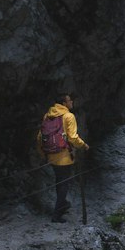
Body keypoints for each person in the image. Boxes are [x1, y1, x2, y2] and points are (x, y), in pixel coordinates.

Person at [37, 91, 89, 222]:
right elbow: (72, 137)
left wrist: (43, 154)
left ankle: (63, 204)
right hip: (64, 156)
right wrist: (84, 146)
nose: (71, 102)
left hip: (51, 155)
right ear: (64, 103)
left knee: (59, 182)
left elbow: (40, 137)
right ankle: (57, 214)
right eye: (69, 100)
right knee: (64, 184)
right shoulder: (68, 116)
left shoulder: (48, 115)